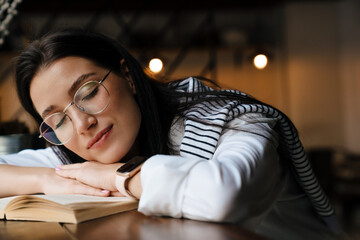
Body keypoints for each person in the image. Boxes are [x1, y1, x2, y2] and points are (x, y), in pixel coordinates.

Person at [0, 29, 343, 239]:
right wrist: (48, 179)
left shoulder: (234, 122)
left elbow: (222, 195)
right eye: (58, 119)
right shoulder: (75, 156)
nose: (81, 124)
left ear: (128, 77)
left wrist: (116, 177)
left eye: (88, 93)